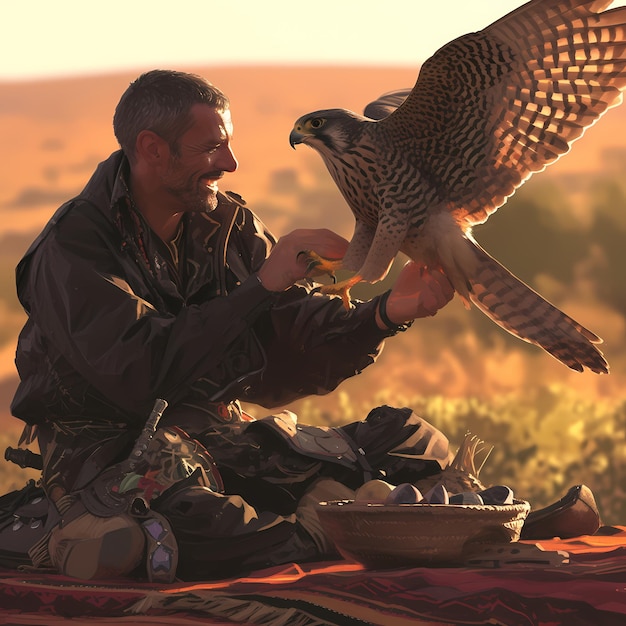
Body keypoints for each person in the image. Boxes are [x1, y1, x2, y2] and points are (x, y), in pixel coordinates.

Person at [3, 69, 471, 581]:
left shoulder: (229, 225)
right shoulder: (73, 248)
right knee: (196, 514)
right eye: (211, 149)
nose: (230, 163)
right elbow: (141, 375)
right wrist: (262, 285)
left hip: (224, 437)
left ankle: (329, 510)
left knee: (411, 439)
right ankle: (338, 524)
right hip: (115, 453)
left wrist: (384, 314)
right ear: (152, 148)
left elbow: (289, 344)